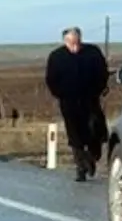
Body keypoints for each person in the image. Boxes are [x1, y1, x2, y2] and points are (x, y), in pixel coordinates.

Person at [44, 26, 109, 182]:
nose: (75, 46)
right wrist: (60, 93)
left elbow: (102, 72)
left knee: (96, 130)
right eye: (71, 42)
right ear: (65, 41)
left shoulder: (92, 52)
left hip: (91, 99)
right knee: (75, 135)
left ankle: (92, 155)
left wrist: (99, 89)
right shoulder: (56, 57)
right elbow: (51, 79)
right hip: (69, 101)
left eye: (77, 42)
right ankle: (81, 167)